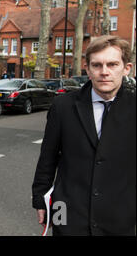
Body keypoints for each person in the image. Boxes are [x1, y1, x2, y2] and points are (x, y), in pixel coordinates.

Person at [32, 35, 136, 236]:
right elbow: (47, 158)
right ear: (87, 69)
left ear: (126, 68)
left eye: (112, 64)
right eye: (97, 65)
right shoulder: (63, 106)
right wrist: (39, 198)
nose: (104, 72)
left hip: (120, 219)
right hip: (67, 214)